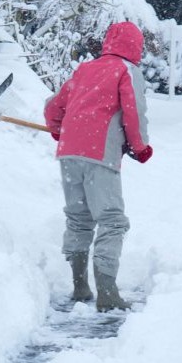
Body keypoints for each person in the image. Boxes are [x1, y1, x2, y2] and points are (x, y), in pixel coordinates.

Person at [44, 21, 153, 312]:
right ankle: (107, 293)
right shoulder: (127, 70)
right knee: (112, 220)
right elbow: (134, 112)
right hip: (99, 152)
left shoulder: (86, 69)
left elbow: (54, 107)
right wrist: (140, 147)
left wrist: (57, 128)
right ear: (136, 46)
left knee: (78, 218)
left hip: (69, 152)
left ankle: (80, 285)